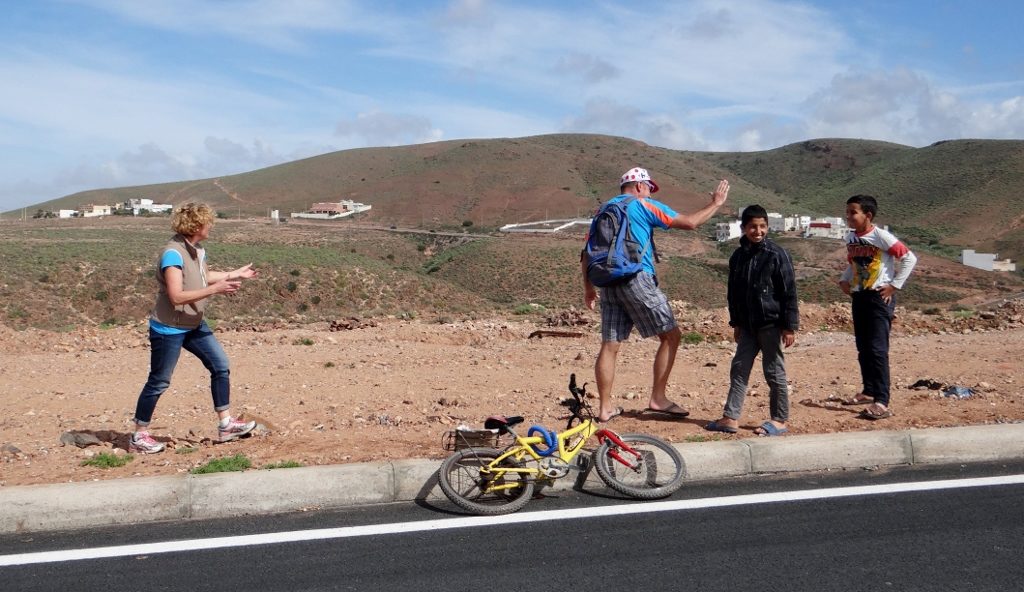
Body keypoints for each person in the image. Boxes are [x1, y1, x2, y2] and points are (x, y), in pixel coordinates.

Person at [582, 167, 729, 422]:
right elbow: (690, 223)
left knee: (610, 345)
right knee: (671, 335)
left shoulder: (602, 212)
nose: (650, 193)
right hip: (636, 277)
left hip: (607, 282)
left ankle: (604, 408)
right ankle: (658, 398)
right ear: (639, 186)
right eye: (649, 188)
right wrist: (715, 203)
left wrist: (588, 289)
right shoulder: (642, 205)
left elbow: (586, 253)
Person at [128, 203, 260, 454]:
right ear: (198, 226)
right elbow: (176, 296)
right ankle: (139, 435)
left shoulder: (198, 250)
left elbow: (203, 277)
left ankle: (226, 424)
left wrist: (234, 275)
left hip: (193, 324)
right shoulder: (173, 254)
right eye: (209, 222)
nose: (211, 226)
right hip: (169, 328)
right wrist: (216, 290)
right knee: (159, 381)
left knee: (220, 365)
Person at [705, 205, 799, 437]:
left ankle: (779, 419)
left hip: (770, 323)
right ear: (744, 228)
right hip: (747, 325)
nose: (758, 231)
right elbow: (733, 293)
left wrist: (789, 326)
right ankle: (730, 417)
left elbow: (789, 292)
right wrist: (736, 322)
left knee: (773, 371)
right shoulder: (738, 256)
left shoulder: (777, 254)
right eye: (753, 227)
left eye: (762, 226)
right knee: (739, 368)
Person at [838, 194, 917, 420]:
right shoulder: (851, 238)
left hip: (878, 298)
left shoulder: (881, 236)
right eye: (848, 212)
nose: (848, 217)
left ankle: (882, 401)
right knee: (863, 347)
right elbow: (854, 264)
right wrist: (844, 279)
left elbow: (909, 258)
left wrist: (894, 286)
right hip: (859, 296)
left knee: (878, 350)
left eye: (853, 212)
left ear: (868, 215)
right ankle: (868, 390)